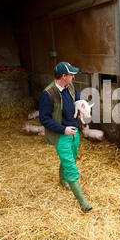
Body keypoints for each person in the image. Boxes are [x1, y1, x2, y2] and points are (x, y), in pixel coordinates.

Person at [39, 61, 92, 212]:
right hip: (61, 134)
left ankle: (62, 180)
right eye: (71, 74)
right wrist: (63, 129)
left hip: (74, 130)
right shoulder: (48, 94)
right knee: (70, 165)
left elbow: (77, 99)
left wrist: (81, 106)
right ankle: (83, 203)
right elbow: (44, 119)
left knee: (71, 157)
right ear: (64, 76)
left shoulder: (70, 86)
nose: (74, 77)